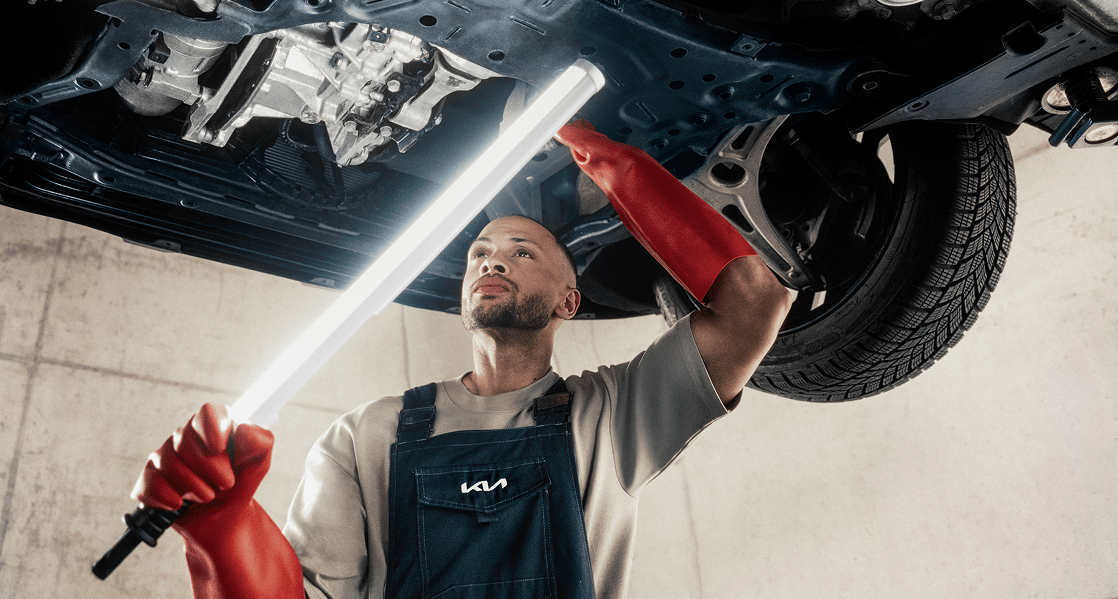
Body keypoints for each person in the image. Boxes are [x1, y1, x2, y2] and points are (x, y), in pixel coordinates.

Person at [133, 122, 793, 599]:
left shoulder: (613, 417)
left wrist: (619, 163)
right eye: (481, 253)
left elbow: (753, 305)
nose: (494, 258)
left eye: (522, 251)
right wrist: (223, 530)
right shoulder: (365, 435)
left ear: (570, 301)